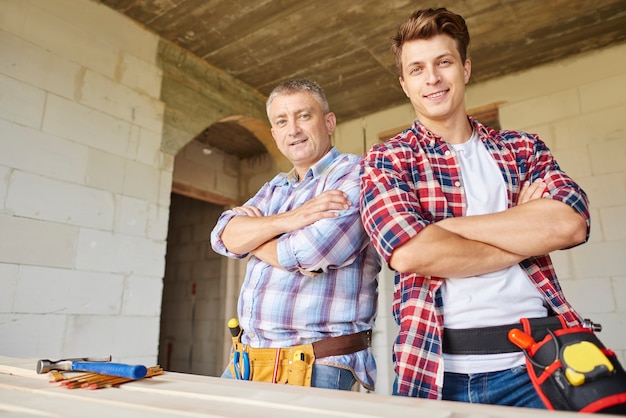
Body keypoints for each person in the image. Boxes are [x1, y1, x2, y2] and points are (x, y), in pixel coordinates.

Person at [359, 8, 590, 407]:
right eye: (417, 69)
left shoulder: (523, 149)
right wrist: (524, 228)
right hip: (434, 371)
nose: (431, 78)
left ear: (464, 69)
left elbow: (569, 224)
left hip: (538, 365)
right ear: (404, 83)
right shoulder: (388, 159)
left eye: (443, 62)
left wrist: (446, 227)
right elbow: (411, 252)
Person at [211, 79, 380, 391]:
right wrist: (291, 219)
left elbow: (311, 251)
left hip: (317, 365)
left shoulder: (356, 174)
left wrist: (255, 238)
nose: (293, 130)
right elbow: (223, 235)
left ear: (329, 122)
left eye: (304, 116)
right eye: (281, 121)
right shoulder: (276, 186)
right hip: (246, 361)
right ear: (275, 134)